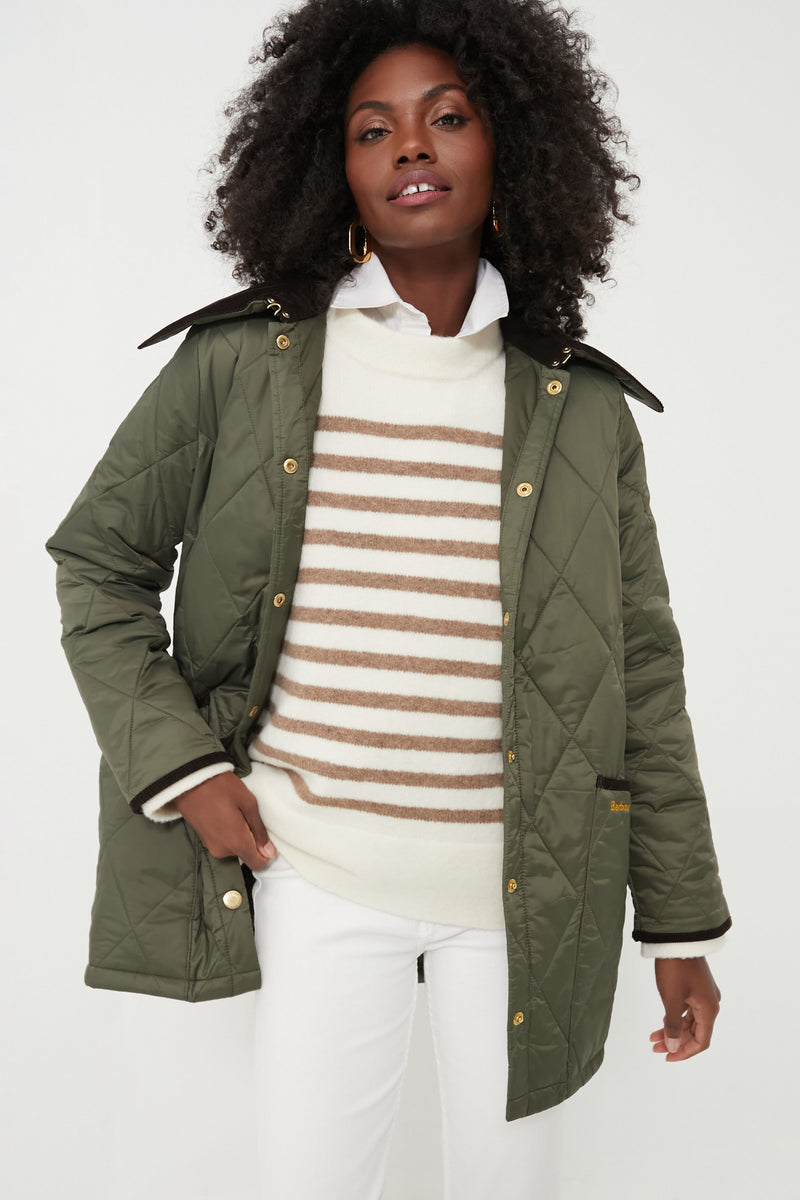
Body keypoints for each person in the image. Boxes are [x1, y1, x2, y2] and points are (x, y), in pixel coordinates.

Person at [45, 1, 732, 1197]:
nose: (410, 145)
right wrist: (182, 769)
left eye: (446, 117)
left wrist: (676, 924)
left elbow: (641, 672)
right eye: (372, 129)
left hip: (524, 897)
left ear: (512, 145)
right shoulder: (243, 362)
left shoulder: (581, 410)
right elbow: (98, 563)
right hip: (313, 871)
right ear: (333, 169)